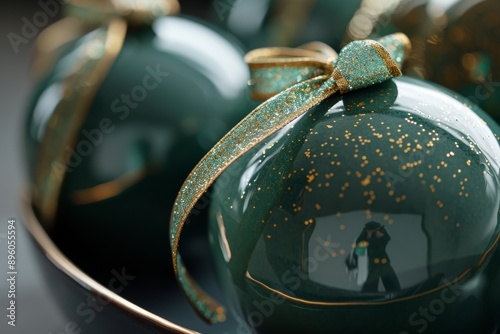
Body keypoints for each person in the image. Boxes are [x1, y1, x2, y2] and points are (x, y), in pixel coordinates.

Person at [355, 221, 400, 292]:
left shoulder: (380, 231)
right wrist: (368, 238)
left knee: (393, 287)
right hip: (373, 264)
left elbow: (387, 239)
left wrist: (380, 236)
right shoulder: (364, 234)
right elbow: (359, 249)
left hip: (383, 262)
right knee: (370, 289)